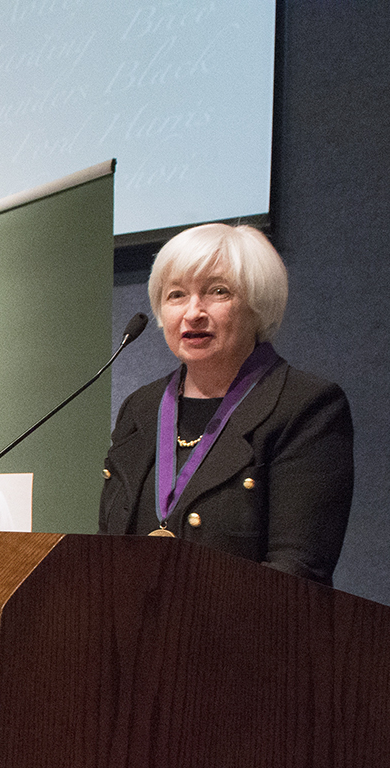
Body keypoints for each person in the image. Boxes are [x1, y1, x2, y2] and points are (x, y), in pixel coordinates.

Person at [98, 223, 353, 585]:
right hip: (130, 636)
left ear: (257, 304)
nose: (193, 312)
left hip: (243, 637)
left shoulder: (304, 406)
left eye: (218, 292)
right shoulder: (141, 408)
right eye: (176, 295)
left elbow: (297, 572)